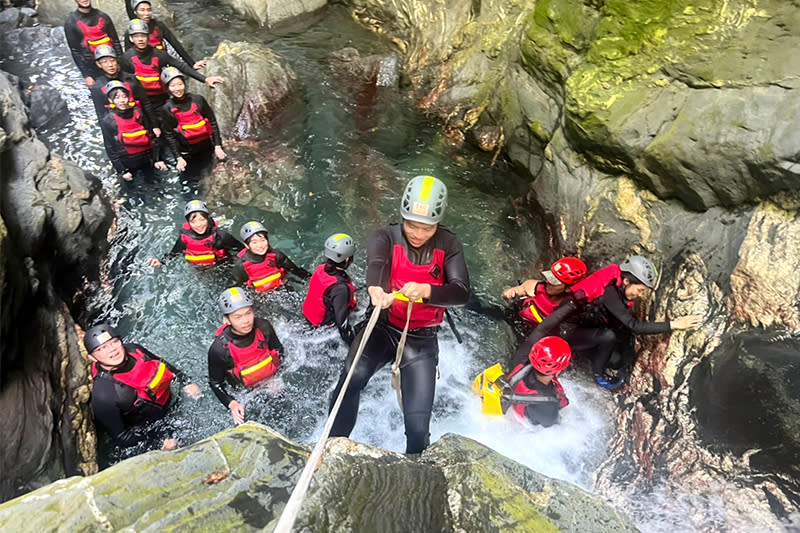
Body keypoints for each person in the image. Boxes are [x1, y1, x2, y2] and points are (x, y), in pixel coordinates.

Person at [328, 175, 470, 454]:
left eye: (426, 228)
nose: (417, 233)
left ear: (437, 223)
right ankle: (332, 447)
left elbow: (461, 292)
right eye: (411, 225)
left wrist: (429, 290)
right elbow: (377, 263)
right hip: (382, 327)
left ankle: (415, 472)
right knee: (350, 379)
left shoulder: (449, 244)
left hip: (422, 338)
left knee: (418, 426)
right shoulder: (385, 237)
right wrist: (376, 290)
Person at [514, 255, 702, 391]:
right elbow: (633, 326)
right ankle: (598, 376)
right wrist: (674, 324)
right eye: (640, 290)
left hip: (586, 327)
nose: (640, 295)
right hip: (566, 333)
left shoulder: (615, 282)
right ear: (626, 281)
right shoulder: (609, 295)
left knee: (618, 358)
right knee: (608, 338)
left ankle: (589, 354)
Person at [84, 323, 201, 449]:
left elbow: (163, 364)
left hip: (167, 401)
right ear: (92, 357)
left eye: (114, 342)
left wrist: (186, 381)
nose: (112, 350)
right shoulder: (104, 395)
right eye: (101, 348)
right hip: (150, 426)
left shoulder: (135, 350)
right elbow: (121, 437)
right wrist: (157, 440)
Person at [208, 288, 284, 425]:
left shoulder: (263, 327)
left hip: (271, 383)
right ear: (226, 320)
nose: (246, 321)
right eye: (238, 317)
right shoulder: (219, 350)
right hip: (244, 392)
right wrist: (231, 403)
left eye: (248, 313)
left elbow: (279, 350)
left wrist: (275, 378)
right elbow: (215, 383)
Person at [120, 18, 223, 109]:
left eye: (143, 36)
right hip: (143, 101)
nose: (140, 39)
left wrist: (205, 79)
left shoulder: (159, 54)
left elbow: (180, 66)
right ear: (131, 38)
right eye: (137, 36)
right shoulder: (127, 58)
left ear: (148, 37)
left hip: (162, 98)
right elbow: (126, 81)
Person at [158, 67, 226, 183]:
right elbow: (169, 135)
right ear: (168, 88)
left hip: (206, 147)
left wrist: (218, 146)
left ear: (184, 84)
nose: (177, 89)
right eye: (173, 86)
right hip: (187, 152)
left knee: (211, 177)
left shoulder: (198, 100)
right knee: (191, 181)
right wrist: (178, 157)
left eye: (180, 84)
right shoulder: (167, 108)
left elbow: (212, 122)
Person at [98, 80, 166, 184]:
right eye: (117, 97)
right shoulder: (108, 120)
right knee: (131, 188)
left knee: (155, 184)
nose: (122, 100)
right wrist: (122, 170)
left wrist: (157, 159)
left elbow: (152, 137)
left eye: (124, 96)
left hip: (146, 158)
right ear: (110, 100)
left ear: (128, 97)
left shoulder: (138, 113)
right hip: (127, 163)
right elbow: (110, 146)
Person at [502, 256, 587, 336]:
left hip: (532, 335)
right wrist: (509, 292)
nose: (548, 282)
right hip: (515, 317)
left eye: (555, 282)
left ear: (568, 288)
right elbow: (516, 290)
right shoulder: (537, 286)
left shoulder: (568, 309)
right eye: (550, 277)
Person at [147, 199, 243, 268]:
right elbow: (173, 254)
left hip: (221, 267)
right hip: (198, 269)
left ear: (207, 219)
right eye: (193, 221)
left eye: (202, 219)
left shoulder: (220, 236)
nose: (199, 225)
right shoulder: (184, 239)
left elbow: (241, 250)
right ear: (188, 223)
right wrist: (161, 262)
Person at [302, 233, 358, 345]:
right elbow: (342, 325)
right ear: (347, 259)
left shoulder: (322, 268)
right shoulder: (341, 288)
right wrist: (354, 344)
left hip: (309, 317)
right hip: (323, 328)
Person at [504, 336, 571, 427]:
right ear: (559, 371)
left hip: (515, 408)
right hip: (528, 425)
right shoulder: (548, 408)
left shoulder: (521, 360)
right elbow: (555, 430)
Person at [124, 0, 206, 70]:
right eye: (142, 10)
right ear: (136, 12)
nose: (146, 13)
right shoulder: (131, 31)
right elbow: (128, 56)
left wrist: (192, 64)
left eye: (149, 10)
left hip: (161, 63)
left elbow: (175, 43)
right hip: (142, 67)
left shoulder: (158, 25)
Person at [89, 44, 157, 127]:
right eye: (105, 62)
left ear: (117, 61)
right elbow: (101, 114)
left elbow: (145, 103)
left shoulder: (131, 79)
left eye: (112, 60)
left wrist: (154, 125)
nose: (110, 65)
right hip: (118, 126)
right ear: (99, 64)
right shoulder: (98, 87)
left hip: (140, 121)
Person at [233, 221, 311, 292]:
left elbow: (296, 271)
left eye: (263, 240)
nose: (260, 245)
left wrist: (313, 280)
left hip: (282, 290)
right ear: (246, 245)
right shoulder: (241, 266)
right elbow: (234, 288)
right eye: (254, 242)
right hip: (260, 297)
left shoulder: (276, 255)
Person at [64, 0, 123, 88]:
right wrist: (86, 75)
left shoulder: (103, 16)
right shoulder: (71, 23)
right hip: (92, 68)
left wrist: (121, 63)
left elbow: (116, 42)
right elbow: (75, 51)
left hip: (112, 65)